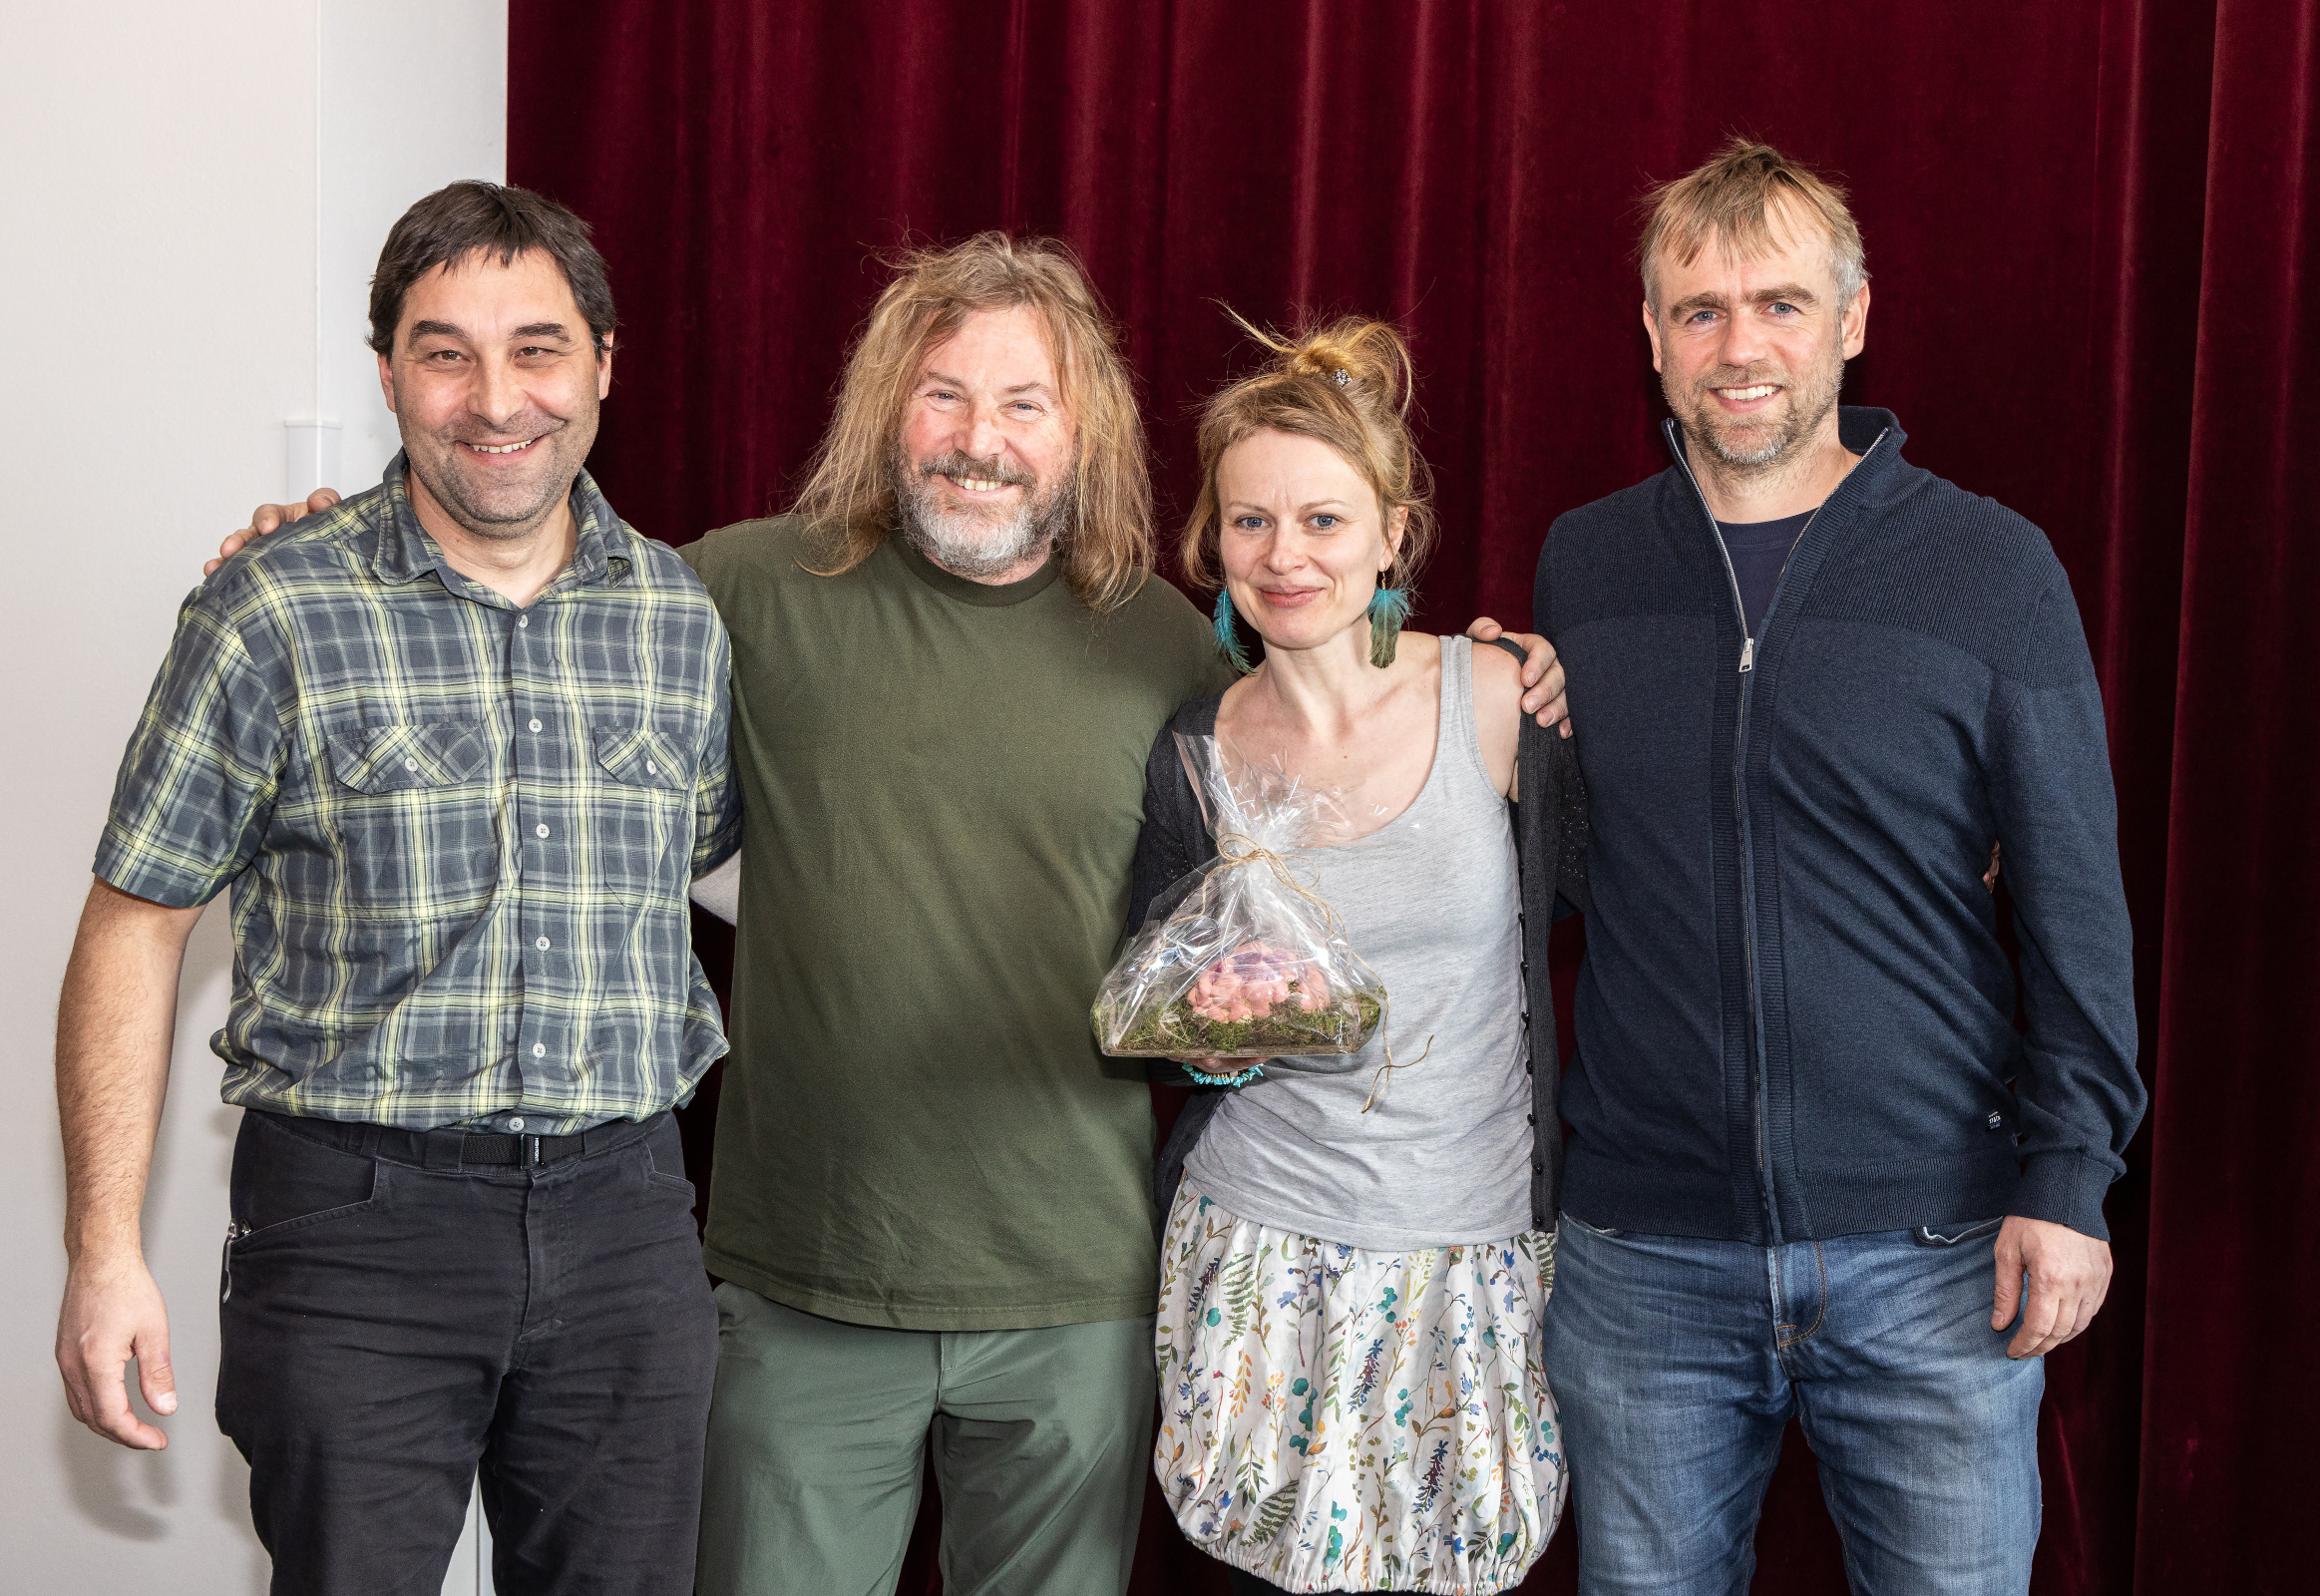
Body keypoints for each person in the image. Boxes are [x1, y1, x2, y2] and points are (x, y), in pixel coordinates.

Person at [226, 232, 1573, 1596]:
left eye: (1024, 403)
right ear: (887, 406)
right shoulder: (739, 590)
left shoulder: (1167, 646)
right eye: (944, 394)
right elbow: (522, 575)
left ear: (1083, 432)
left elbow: (1300, 813)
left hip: (1078, 1292)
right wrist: (334, 538)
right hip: (806, 1278)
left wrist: (1504, 671)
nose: (979, 439)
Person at [58, 181, 738, 1595]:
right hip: (357, 1232)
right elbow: (136, 924)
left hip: (626, 1220)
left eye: (538, 349)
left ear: (604, 365)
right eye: (445, 353)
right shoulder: (270, 608)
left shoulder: (681, 617)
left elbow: (716, 865)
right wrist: (103, 1251)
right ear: (387, 375)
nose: (496, 400)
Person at [1519, 140, 2145, 1594]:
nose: (1741, 348)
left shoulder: (1991, 569)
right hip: (1643, 1256)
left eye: (1782, 305)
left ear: (1853, 320)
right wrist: (1495, 730)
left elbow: (2076, 907)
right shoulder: (1586, 564)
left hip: (1934, 1249)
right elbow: (1587, 878)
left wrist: (2070, 1177)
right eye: (1701, 311)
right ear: (1653, 337)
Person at [1127, 317, 1586, 1595]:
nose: (1286, 556)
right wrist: (1220, 1024)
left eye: (1324, 520)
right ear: (1213, 540)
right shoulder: (1195, 753)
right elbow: (1152, 1013)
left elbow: (1621, 903)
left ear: (1393, 535)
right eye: (1252, 521)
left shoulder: (1498, 697)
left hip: (1466, 1249)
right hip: (1256, 1244)